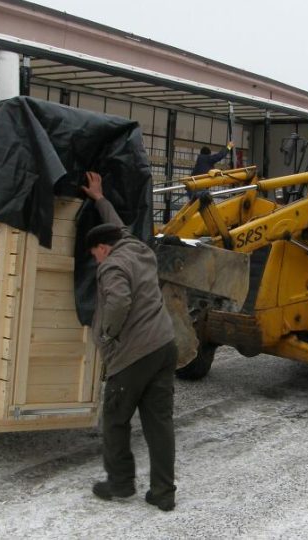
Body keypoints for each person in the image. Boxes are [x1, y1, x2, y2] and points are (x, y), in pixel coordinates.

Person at [81, 171, 179, 512]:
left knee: (115, 419)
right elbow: (118, 226)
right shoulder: (137, 248)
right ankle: (163, 493)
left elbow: (119, 302)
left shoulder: (112, 265)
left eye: (94, 253)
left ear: (102, 248)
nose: (95, 259)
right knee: (159, 422)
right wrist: (99, 197)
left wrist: (107, 333)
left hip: (134, 354)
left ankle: (121, 484)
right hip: (165, 345)